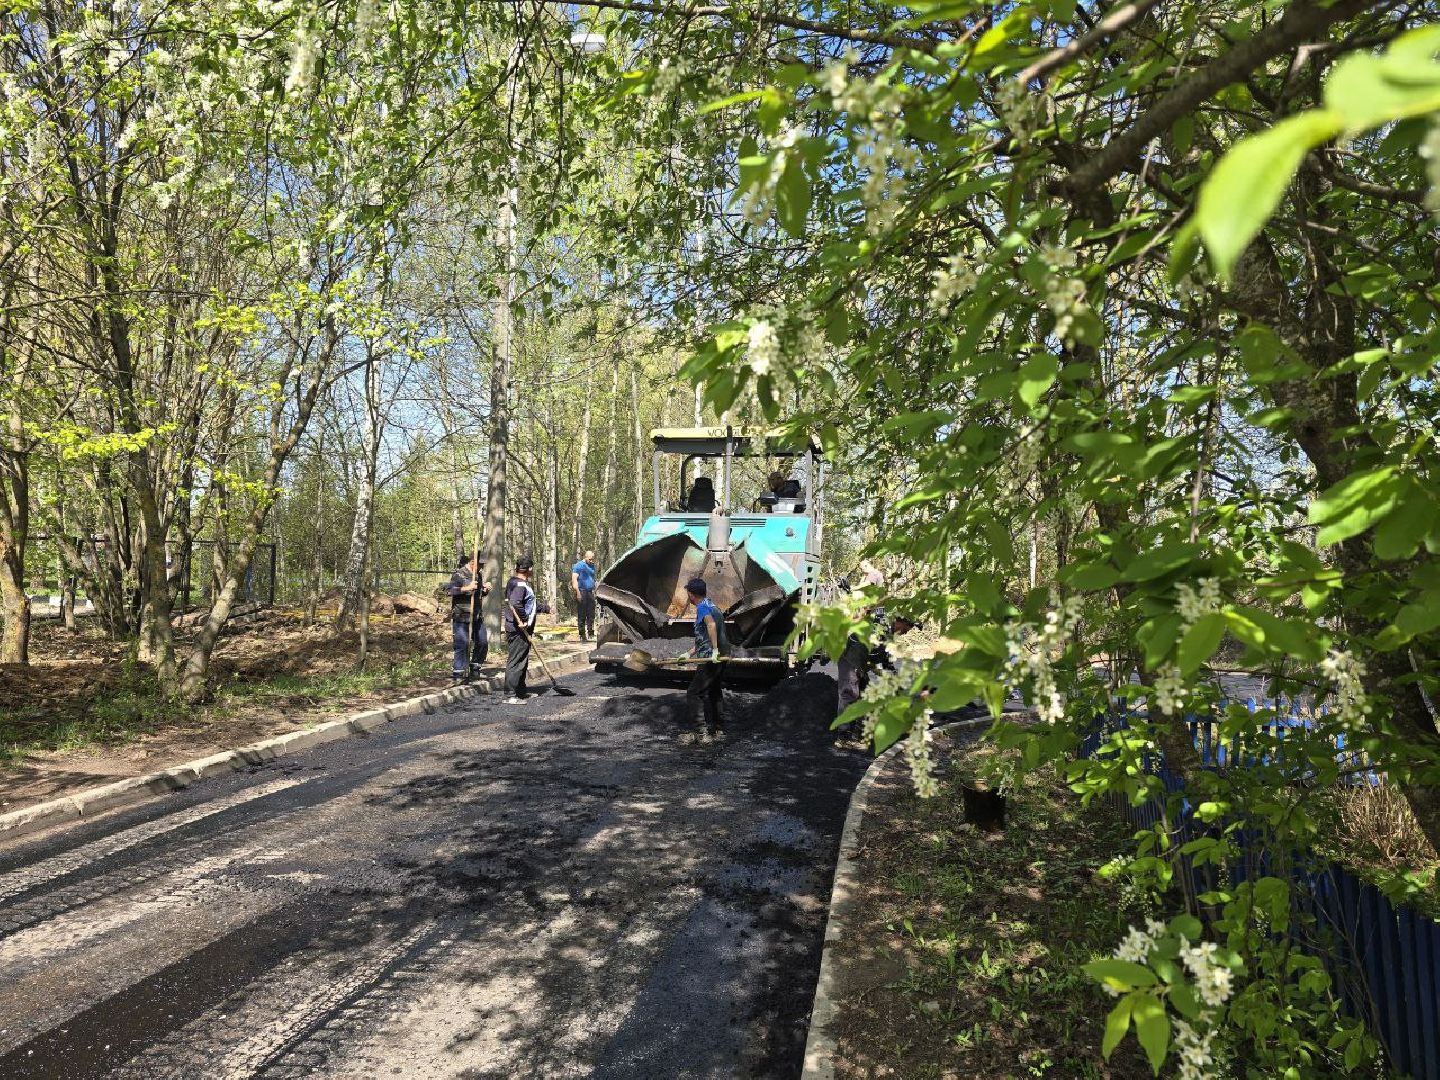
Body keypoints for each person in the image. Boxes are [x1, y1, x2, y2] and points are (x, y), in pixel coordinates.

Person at [684, 576, 727, 741]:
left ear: (691, 594)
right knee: (715, 691)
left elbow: (711, 626)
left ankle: (700, 733)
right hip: (721, 656)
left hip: (711, 658)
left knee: (694, 693)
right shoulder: (712, 605)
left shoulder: (702, 607)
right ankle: (718, 730)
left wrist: (714, 651)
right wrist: (689, 653)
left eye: (688, 593)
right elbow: (706, 636)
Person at [502, 555, 550, 703]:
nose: (532, 571)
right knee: (516, 660)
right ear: (529, 569)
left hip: (521, 628)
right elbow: (516, 604)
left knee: (522, 660)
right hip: (518, 629)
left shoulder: (514, 582)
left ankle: (521, 691)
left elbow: (530, 604)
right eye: (532, 568)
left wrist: (545, 608)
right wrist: (523, 619)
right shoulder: (520, 585)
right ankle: (510, 695)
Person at [443, 552, 490, 683]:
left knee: (482, 642)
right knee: (462, 644)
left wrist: (484, 590)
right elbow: (449, 591)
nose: (481, 567)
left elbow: (478, 594)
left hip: (477, 615)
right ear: (472, 562)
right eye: (480, 564)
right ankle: (458, 673)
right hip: (462, 615)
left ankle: (475, 667)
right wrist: (466, 588)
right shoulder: (459, 574)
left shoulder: (478, 575)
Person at [571, 550, 598, 642]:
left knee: (591, 613)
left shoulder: (592, 566)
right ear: (585, 557)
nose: (591, 561)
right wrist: (577, 592)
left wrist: (595, 589)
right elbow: (574, 579)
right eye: (590, 559)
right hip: (581, 591)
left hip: (590, 591)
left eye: (592, 559)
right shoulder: (578, 565)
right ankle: (582, 634)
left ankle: (590, 632)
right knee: (582, 614)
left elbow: (592, 579)